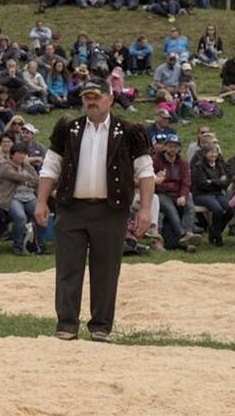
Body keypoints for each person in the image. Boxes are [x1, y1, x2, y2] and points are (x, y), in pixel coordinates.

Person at [36, 77, 155, 343]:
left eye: (97, 96)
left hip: (111, 211)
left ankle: (101, 326)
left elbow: (146, 172)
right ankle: (66, 324)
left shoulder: (129, 130)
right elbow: (50, 167)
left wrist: (145, 209)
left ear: (110, 99)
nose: (91, 101)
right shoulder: (68, 128)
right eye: (87, 96)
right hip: (71, 208)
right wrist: (41, 201)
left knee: (107, 269)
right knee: (68, 268)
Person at [152, 134, 199, 252]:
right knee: (170, 209)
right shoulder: (156, 162)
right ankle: (183, 235)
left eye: (176, 146)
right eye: (170, 146)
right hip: (162, 193)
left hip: (178, 192)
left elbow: (186, 182)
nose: (173, 149)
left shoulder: (183, 163)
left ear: (179, 148)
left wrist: (183, 195)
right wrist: (165, 185)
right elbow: (152, 181)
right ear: (165, 147)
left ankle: (187, 233)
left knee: (190, 204)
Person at [191, 144, 233, 247]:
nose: (213, 154)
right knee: (217, 209)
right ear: (205, 154)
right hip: (201, 194)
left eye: (215, 152)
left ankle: (214, 231)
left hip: (217, 193)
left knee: (229, 210)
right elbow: (202, 184)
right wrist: (218, 182)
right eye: (211, 152)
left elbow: (226, 183)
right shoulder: (199, 166)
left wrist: (212, 181)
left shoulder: (220, 165)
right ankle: (218, 237)